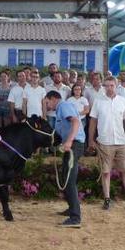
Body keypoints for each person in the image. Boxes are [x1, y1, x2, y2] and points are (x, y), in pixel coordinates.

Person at [88, 78, 125, 211]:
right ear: (104, 87)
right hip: (104, 142)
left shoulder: (122, 101)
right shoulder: (98, 101)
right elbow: (93, 122)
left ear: (116, 86)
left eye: (111, 85)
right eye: (106, 86)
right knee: (105, 172)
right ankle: (107, 199)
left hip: (121, 141)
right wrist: (91, 140)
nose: (109, 88)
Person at [45, 90, 85, 228]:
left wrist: (69, 141)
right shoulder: (60, 109)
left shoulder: (63, 106)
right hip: (71, 145)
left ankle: (75, 217)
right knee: (65, 176)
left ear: (54, 98)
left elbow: (75, 122)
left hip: (74, 145)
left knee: (69, 180)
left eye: (47, 101)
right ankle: (71, 208)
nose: (47, 104)